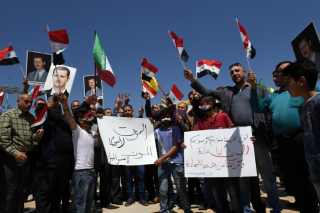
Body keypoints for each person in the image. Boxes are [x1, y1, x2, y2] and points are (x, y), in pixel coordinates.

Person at [184, 64, 282, 213]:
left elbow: (268, 112)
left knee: (267, 177)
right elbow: (206, 91)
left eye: (237, 71)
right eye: (231, 72)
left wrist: (272, 135)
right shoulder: (227, 92)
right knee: (243, 180)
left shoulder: (259, 88)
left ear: (244, 72)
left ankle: (276, 208)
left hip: (258, 138)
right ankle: (245, 209)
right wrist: (192, 79)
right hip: (237, 141)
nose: (234, 73)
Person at [248, 61, 320, 213]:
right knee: (296, 180)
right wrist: (254, 87)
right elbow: (257, 107)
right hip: (284, 142)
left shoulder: (309, 92)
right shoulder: (273, 96)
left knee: (314, 177)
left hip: (305, 139)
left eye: (285, 71)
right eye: (278, 72)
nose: (281, 75)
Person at [196, 95, 243, 213]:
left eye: (202, 104)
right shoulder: (201, 121)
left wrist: (247, 139)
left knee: (233, 191)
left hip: (228, 162)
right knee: (216, 192)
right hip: (212, 164)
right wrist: (187, 145)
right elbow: (195, 140)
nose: (200, 107)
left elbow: (234, 134)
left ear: (210, 104)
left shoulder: (223, 116)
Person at [282, 59, 320, 199]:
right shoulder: (302, 107)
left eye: (288, 81)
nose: (286, 86)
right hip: (312, 161)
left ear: (301, 80)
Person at [0, 94, 44, 212]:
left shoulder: (32, 117)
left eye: (30, 102)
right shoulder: (7, 116)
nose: (28, 104)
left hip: (26, 159)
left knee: (22, 190)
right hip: (10, 159)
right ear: (18, 101)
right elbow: (3, 140)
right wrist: (15, 153)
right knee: (9, 191)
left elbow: (33, 139)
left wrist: (37, 136)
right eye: (26, 101)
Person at [59, 92, 99, 212]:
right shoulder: (77, 131)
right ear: (80, 120)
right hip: (81, 173)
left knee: (89, 203)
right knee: (80, 203)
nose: (91, 117)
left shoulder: (91, 133)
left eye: (92, 115)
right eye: (89, 115)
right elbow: (69, 115)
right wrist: (65, 104)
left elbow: (104, 132)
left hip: (92, 172)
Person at [34, 100, 74, 212]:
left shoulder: (65, 123)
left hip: (65, 163)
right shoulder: (45, 122)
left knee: (58, 192)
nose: (57, 109)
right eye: (54, 107)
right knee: (44, 192)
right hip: (48, 163)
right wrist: (47, 109)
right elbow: (40, 119)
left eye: (59, 108)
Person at [154, 108, 192, 213]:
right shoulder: (156, 131)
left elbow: (175, 147)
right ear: (160, 118)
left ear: (171, 117)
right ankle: (164, 210)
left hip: (176, 163)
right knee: (163, 190)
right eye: (163, 117)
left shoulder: (175, 129)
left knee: (181, 190)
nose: (166, 118)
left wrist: (161, 158)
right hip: (163, 165)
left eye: (168, 116)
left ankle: (187, 210)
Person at [99, 107, 122, 207]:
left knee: (115, 178)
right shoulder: (101, 124)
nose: (110, 114)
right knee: (105, 178)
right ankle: (105, 199)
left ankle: (115, 198)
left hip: (115, 155)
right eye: (108, 113)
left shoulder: (115, 124)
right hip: (105, 156)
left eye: (111, 112)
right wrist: (102, 155)